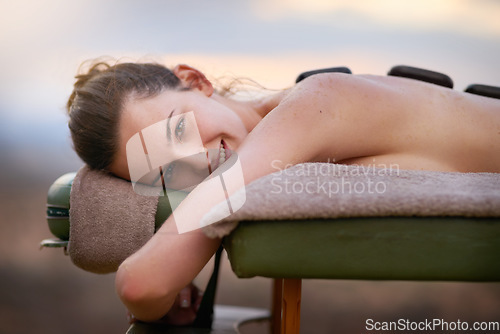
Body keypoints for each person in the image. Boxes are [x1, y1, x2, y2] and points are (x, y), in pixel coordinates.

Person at [67, 61, 500, 324]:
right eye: (166, 170)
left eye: (178, 129)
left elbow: (142, 284)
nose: (196, 160)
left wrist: (159, 299)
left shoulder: (315, 104)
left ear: (194, 79)